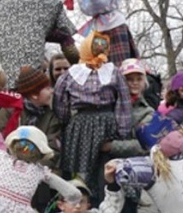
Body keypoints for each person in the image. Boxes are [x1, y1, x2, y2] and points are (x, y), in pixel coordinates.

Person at [54, 32, 131, 203]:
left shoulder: (113, 72)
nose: (99, 49)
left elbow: (123, 102)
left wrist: (122, 132)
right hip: (81, 127)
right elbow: (60, 104)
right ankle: (82, 207)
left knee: (106, 171)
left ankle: (105, 208)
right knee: (81, 174)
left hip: (107, 125)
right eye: (95, 46)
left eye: (103, 46)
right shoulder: (71, 74)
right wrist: (69, 126)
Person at [0, 65, 62, 213]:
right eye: (47, 88)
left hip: (36, 181)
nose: (52, 91)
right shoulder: (10, 112)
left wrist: (30, 169)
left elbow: (52, 150)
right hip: (8, 179)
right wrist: (15, 166)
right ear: (35, 95)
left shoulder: (51, 117)